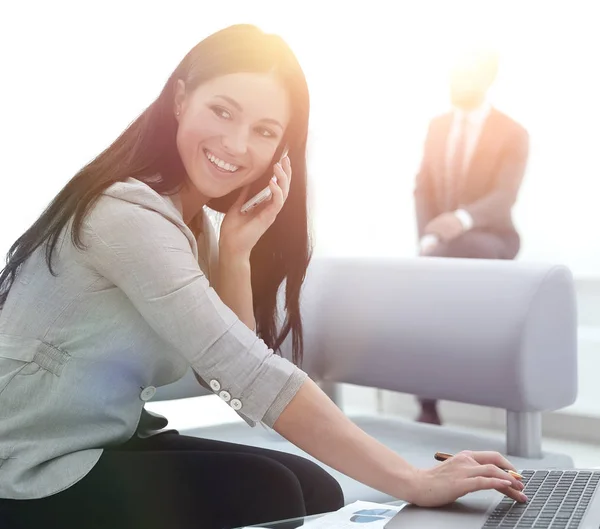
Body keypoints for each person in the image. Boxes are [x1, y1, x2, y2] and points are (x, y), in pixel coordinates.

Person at [0, 25, 526, 529]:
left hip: (100, 442)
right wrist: (413, 478)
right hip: (29, 468)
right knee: (271, 493)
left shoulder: (194, 226)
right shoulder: (127, 214)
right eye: (222, 111)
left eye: (265, 131)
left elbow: (221, 376)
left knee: (315, 489)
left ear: (281, 149)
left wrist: (234, 253)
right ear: (180, 99)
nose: (236, 144)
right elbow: (246, 374)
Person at [413, 46, 529, 426]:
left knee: (466, 250)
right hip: (441, 245)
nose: (455, 81)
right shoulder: (437, 126)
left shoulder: (512, 132)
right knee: (420, 288)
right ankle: (427, 406)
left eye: (465, 74)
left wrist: (460, 219)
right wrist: (427, 237)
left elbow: (504, 196)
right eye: (453, 73)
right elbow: (423, 188)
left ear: (487, 77)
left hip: (490, 237)